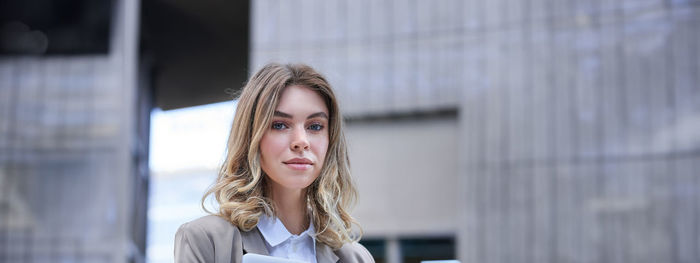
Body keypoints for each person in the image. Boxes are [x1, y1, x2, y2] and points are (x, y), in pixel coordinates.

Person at [174, 63, 374, 263]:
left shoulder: (357, 258)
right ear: (251, 136)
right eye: (279, 125)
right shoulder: (206, 240)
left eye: (315, 126)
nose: (301, 141)